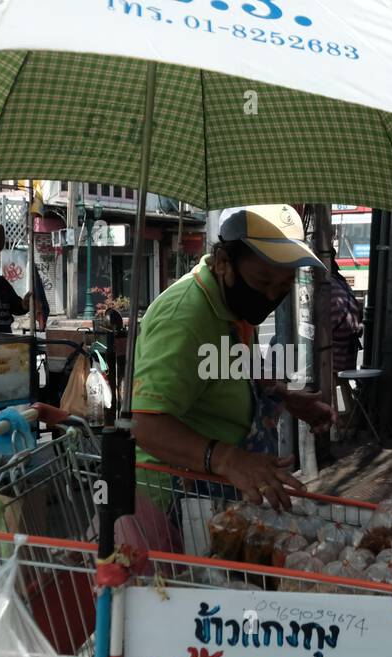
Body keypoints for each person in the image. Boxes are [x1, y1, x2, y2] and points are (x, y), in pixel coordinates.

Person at [132, 205, 337, 510]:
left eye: (283, 286)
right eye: (263, 283)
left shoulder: (234, 306)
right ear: (223, 262)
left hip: (215, 493)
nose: (271, 297)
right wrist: (229, 459)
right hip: (170, 500)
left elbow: (235, 369)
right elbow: (144, 424)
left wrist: (286, 398)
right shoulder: (184, 319)